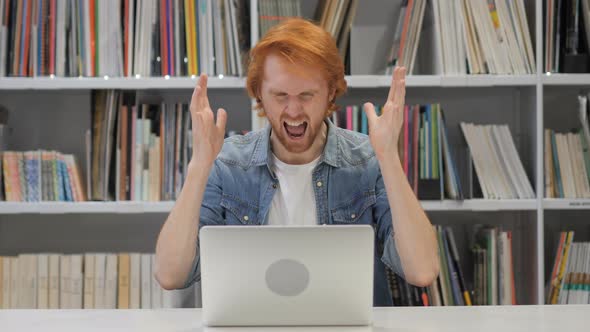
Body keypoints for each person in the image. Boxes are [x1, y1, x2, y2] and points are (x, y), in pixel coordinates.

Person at [154, 18, 439, 306]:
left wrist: (389, 158)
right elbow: (171, 276)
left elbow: (422, 270)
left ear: (330, 92)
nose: (293, 110)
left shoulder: (367, 159)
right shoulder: (226, 163)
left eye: (306, 95)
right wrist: (199, 166)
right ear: (260, 96)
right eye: (279, 95)